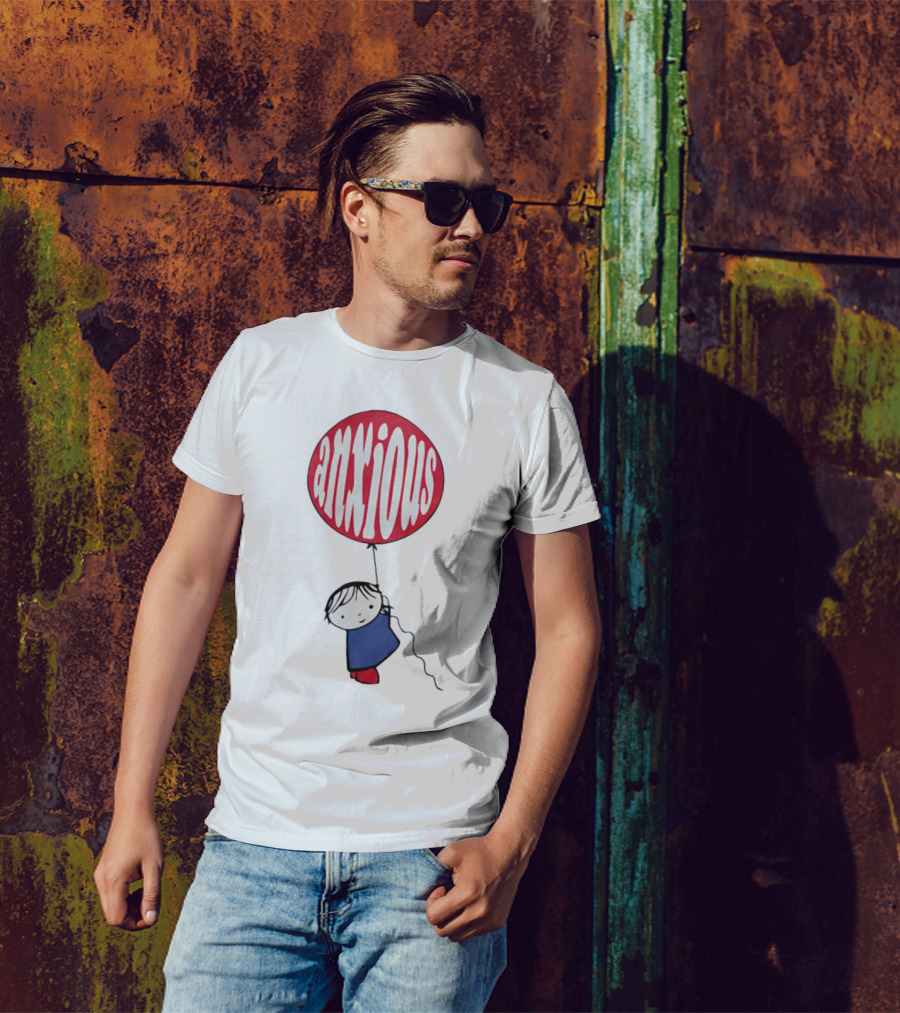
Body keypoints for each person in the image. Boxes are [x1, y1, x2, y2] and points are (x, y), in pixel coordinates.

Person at [94, 73, 602, 1012]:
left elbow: (569, 628)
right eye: (442, 200)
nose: (472, 226)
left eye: (485, 202)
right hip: (253, 849)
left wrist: (513, 842)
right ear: (359, 211)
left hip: (432, 865)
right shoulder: (263, 363)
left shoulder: (522, 401)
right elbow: (186, 578)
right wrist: (133, 803)